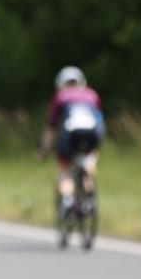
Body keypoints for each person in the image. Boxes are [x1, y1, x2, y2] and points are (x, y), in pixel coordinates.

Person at [37, 66, 105, 215]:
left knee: (64, 168)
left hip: (71, 132)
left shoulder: (60, 96)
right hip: (92, 132)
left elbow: (51, 127)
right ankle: (89, 199)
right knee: (88, 162)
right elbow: (100, 121)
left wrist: (43, 149)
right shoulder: (92, 94)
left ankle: (67, 200)